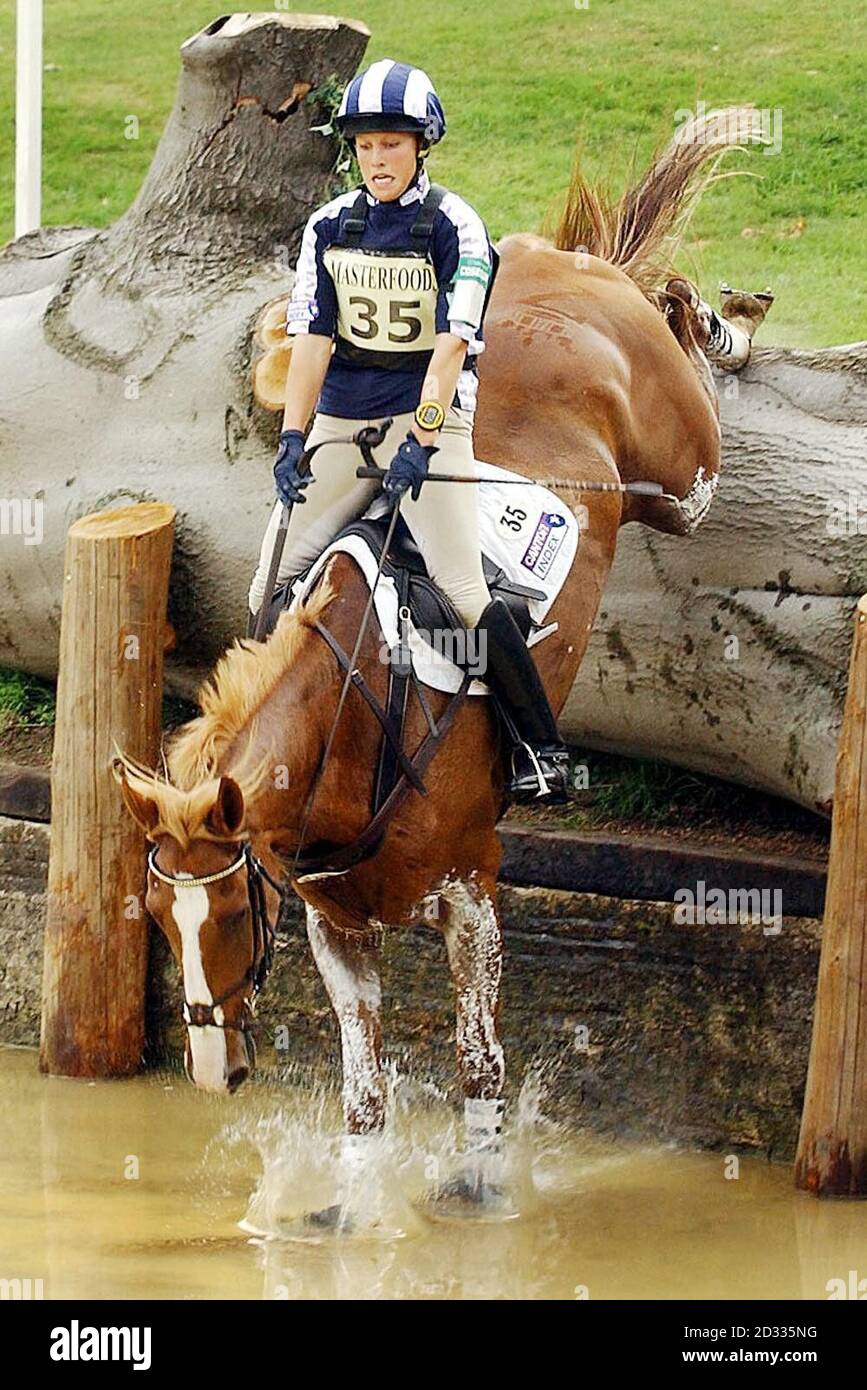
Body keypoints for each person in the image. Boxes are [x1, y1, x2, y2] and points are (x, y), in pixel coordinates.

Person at [247, 58, 570, 803]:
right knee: (266, 584)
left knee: (460, 590)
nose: (376, 159)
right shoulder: (330, 225)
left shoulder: (454, 224)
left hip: (427, 414)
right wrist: (294, 438)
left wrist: (421, 443)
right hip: (343, 418)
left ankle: (541, 748)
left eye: (391, 144)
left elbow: (452, 349)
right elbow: (313, 341)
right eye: (364, 147)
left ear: (421, 146)